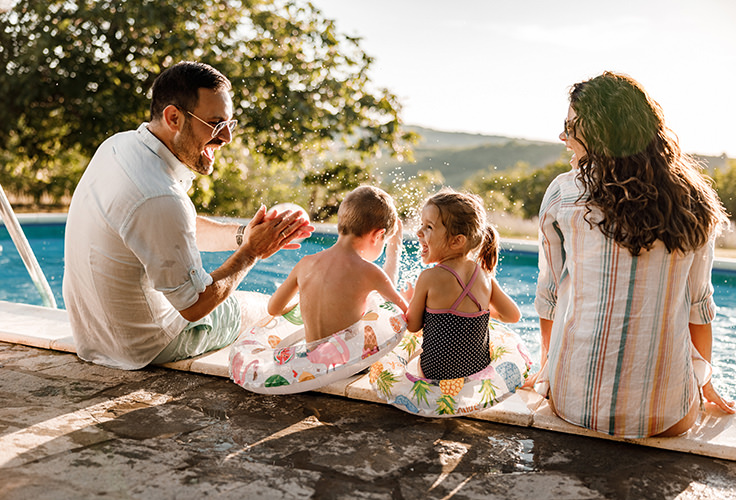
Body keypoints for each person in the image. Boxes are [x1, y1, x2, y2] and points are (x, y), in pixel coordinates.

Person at [62, 61, 313, 370]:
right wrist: (252, 252)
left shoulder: (118, 147)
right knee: (267, 308)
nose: (226, 139)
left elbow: (173, 229)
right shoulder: (159, 196)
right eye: (216, 124)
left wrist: (243, 235)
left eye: (229, 125)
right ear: (174, 118)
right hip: (146, 346)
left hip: (95, 339)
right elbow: (195, 307)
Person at [531, 71, 735, 438]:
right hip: (667, 418)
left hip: (573, 404)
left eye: (570, 126)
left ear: (597, 133)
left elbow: (548, 298)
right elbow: (699, 305)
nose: (562, 136)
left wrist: (546, 370)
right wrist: (704, 381)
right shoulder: (695, 201)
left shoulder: (564, 193)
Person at [404, 188, 521, 380]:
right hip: (475, 373)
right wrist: (478, 311)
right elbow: (513, 316)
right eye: (421, 225)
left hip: (434, 373)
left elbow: (413, 326)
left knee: (408, 351)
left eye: (429, 227)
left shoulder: (428, 277)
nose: (418, 232)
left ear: (457, 241)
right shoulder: (485, 277)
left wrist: (412, 301)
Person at [267, 186, 408, 344]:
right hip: (349, 367)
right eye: (386, 242)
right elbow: (400, 312)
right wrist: (394, 252)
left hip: (310, 365)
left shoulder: (305, 263)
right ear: (378, 235)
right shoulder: (369, 272)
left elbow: (274, 309)